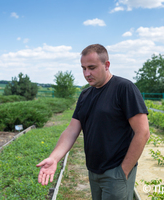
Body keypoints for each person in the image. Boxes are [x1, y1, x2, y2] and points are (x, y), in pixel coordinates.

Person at [37, 44, 150, 200]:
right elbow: (72, 130)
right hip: (93, 171)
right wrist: (54, 158)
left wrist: (123, 170)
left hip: (116, 170)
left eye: (92, 67)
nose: (87, 73)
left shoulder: (124, 88)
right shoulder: (85, 95)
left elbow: (143, 132)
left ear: (107, 65)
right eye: (83, 68)